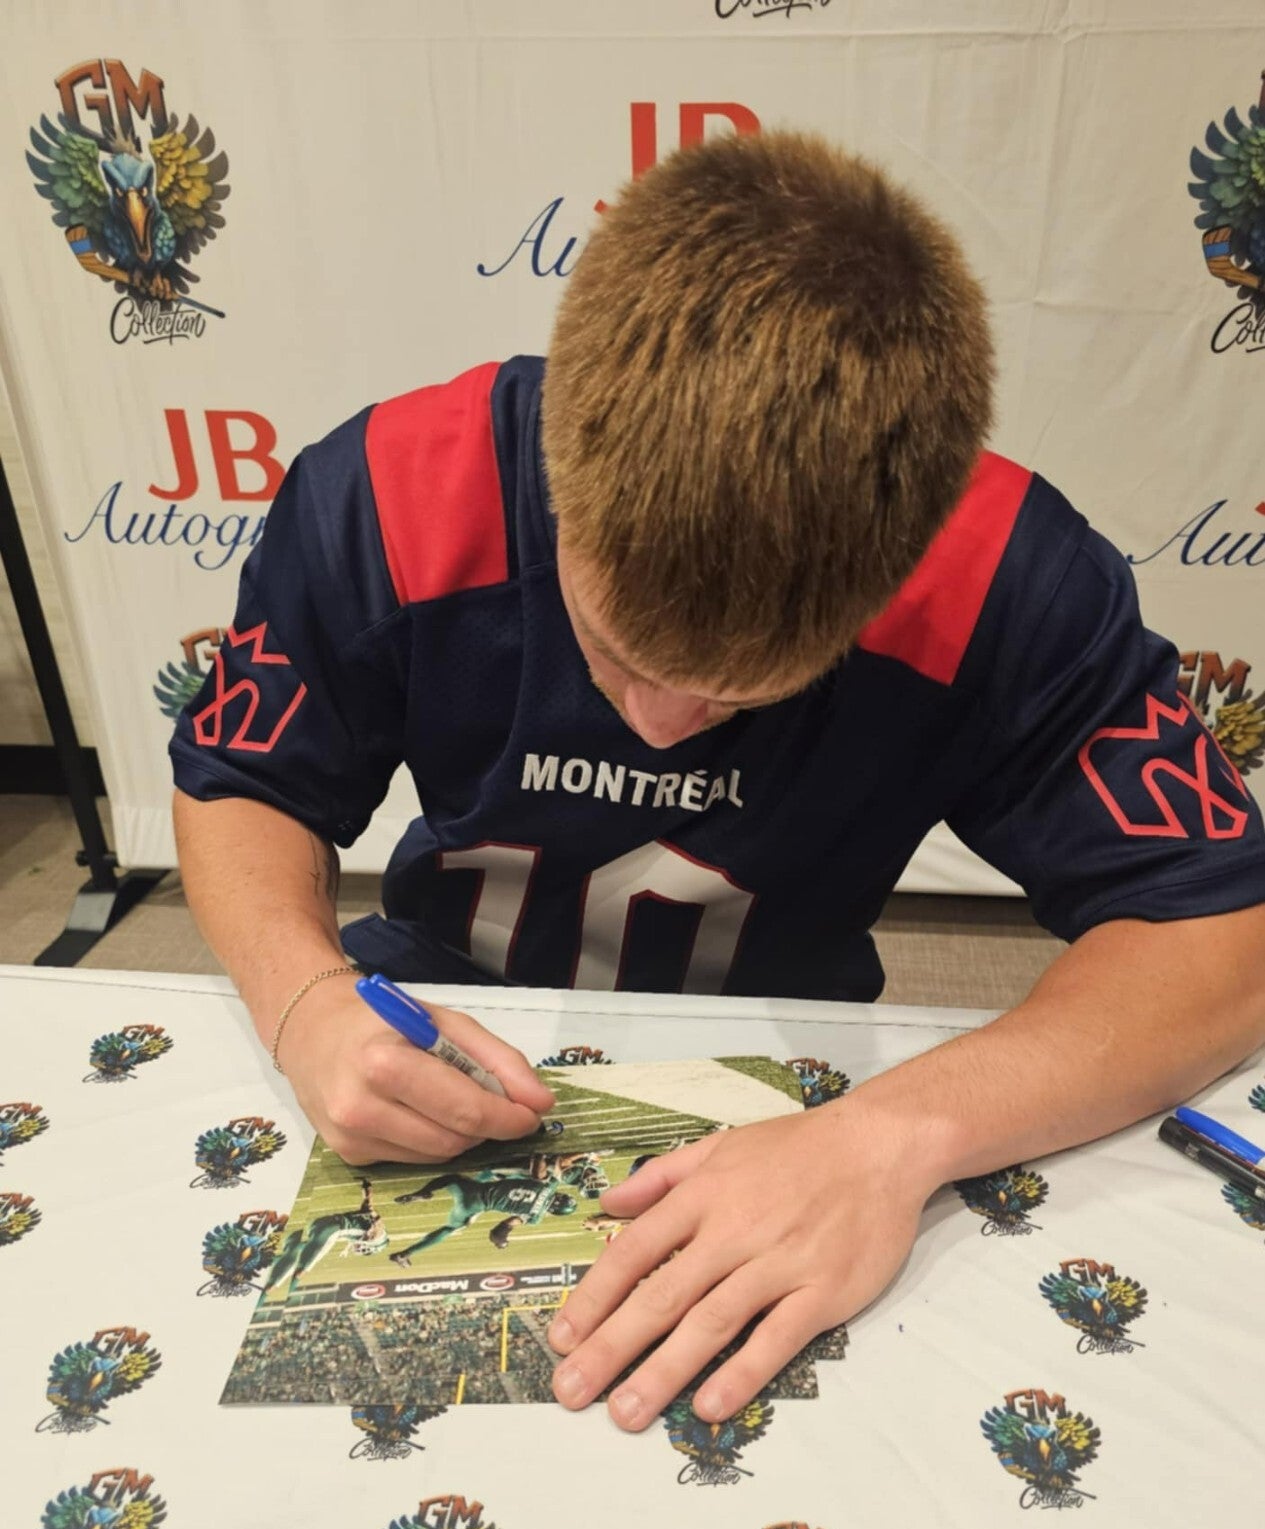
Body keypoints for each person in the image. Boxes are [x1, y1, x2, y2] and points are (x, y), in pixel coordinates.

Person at [170, 130, 1265, 1433]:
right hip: (440, 1017)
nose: (668, 725)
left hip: (794, 1063)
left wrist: (892, 1137)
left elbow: (1222, 933)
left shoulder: (1003, 574)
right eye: (621, 656)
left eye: (750, 688)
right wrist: (303, 1002)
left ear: (905, 553)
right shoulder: (395, 488)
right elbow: (246, 778)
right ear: (556, 471)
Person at [389, 1171, 579, 1263]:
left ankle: (425, 1191)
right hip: (475, 1205)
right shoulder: (534, 1217)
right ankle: (406, 1253)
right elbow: (498, 1232)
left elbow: (546, 1170)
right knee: (451, 1229)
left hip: (476, 1187)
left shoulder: (549, 1186)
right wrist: (501, 1243)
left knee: (452, 1178)